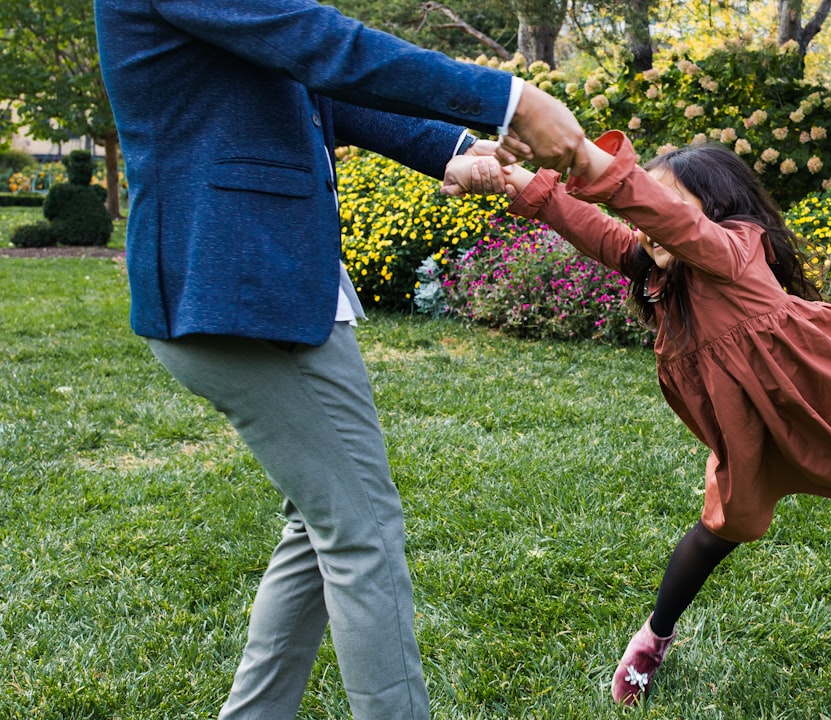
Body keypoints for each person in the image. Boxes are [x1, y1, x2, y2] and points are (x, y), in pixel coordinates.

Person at [93, 1, 584, 718]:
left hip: (261, 284)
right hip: (237, 290)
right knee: (363, 531)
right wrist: (510, 98)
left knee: (325, 522)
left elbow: (313, 82)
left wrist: (451, 147)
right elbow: (321, 45)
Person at [448, 131, 831, 705]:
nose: (651, 229)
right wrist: (518, 180)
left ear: (715, 209)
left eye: (667, 206)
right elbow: (598, 229)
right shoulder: (661, 271)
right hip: (745, 420)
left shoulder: (733, 250)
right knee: (724, 526)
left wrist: (589, 161)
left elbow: (670, 221)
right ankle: (653, 637)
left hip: (827, 385)